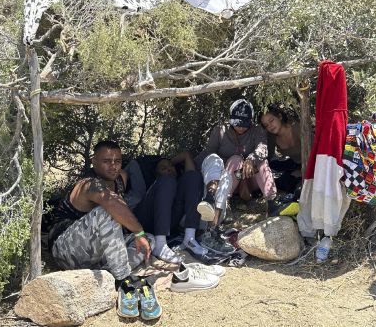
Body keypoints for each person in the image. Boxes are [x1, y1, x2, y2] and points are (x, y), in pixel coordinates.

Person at [46, 140, 153, 290]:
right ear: (94, 162)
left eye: (117, 161)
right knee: (108, 211)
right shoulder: (89, 184)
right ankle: (123, 279)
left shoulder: (120, 178)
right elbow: (112, 203)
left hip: (95, 251)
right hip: (65, 249)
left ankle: (106, 273)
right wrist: (138, 231)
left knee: (149, 239)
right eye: (107, 161)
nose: (113, 166)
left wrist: (140, 235)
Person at [194, 99, 277, 253]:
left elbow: (262, 148)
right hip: (230, 179)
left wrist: (252, 159)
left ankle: (271, 203)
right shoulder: (221, 130)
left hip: (251, 177)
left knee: (262, 163)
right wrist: (193, 167)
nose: (240, 127)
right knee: (235, 159)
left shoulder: (257, 131)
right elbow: (209, 153)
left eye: (244, 124)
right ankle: (226, 203)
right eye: (237, 123)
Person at [125, 151, 205, 263]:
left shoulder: (177, 184)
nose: (169, 169)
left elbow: (189, 167)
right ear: (156, 174)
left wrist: (184, 156)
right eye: (163, 168)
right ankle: (160, 245)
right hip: (146, 220)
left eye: (171, 166)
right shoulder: (157, 183)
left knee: (193, 176)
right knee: (167, 181)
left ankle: (189, 239)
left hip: (169, 222)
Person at [260, 103, 303, 194]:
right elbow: (268, 156)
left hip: (313, 164)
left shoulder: (296, 127)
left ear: (279, 116)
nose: (270, 126)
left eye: (271, 121)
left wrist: (303, 171)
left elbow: (315, 152)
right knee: (274, 168)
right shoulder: (272, 136)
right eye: (266, 125)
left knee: (291, 185)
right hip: (294, 164)